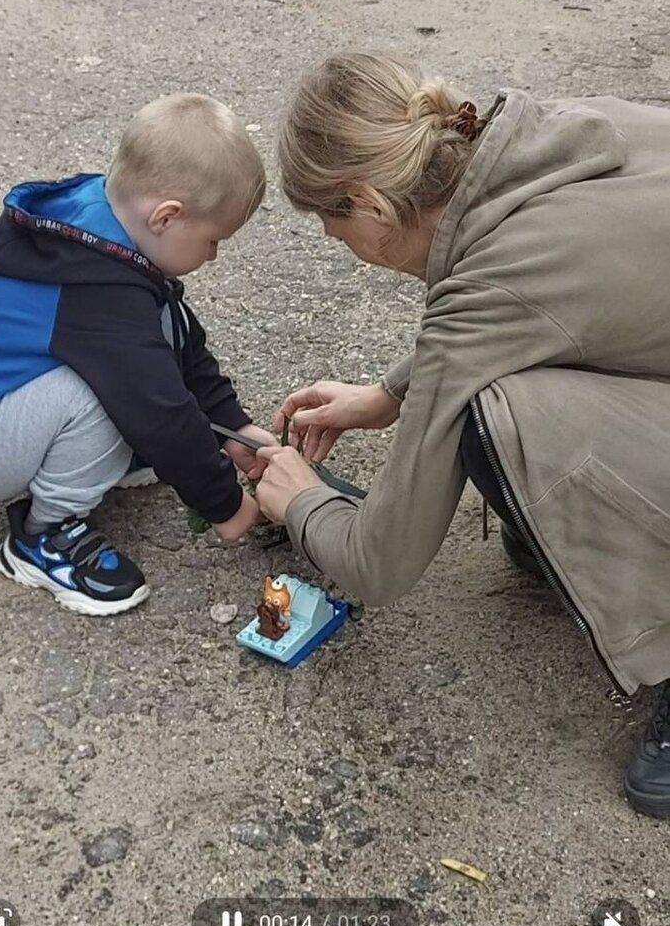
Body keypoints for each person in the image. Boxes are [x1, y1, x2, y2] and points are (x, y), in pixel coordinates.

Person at [255, 52, 670, 819]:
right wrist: (387, 393)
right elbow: (551, 294)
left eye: (331, 226)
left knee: (493, 412)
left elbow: (378, 565)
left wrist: (299, 500)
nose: (341, 246)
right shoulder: (543, 136)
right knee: (486, 406)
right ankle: (580, 540)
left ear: (369, 205)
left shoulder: (489, 288)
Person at [0, 93, 275, 616]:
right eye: (215, 240)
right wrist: (226, 505)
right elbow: (158, 408)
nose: (213, 255)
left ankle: (93, 458)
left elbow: (176, 335)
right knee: (110, 390)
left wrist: (231, 427)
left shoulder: (105, 231)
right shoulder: (96, 290)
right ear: (166, 216)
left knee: (147, 340)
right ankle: (42, 534)